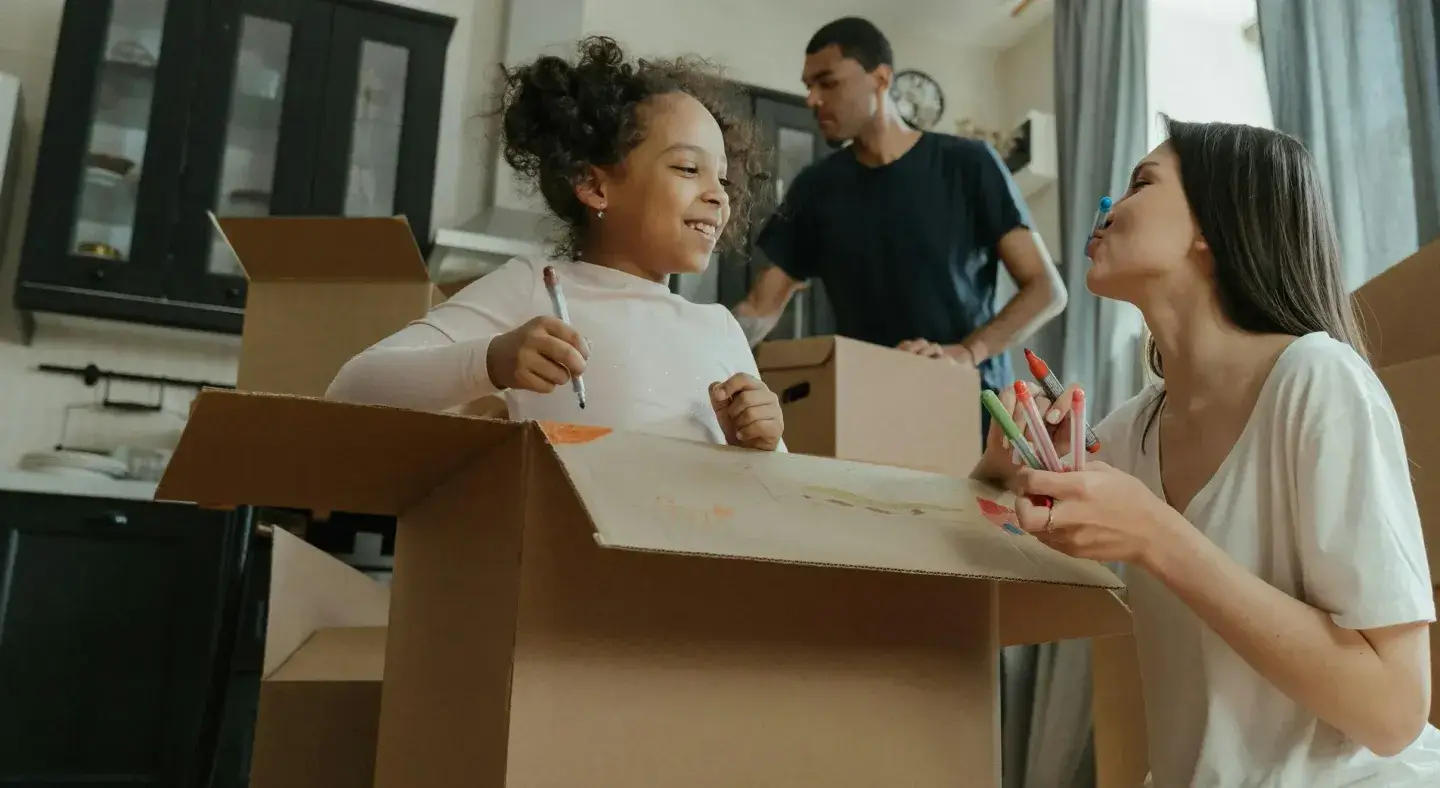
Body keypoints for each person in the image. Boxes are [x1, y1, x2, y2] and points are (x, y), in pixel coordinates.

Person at [975, 117, 1440, 786]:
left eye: (1141, 184)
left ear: (1212, 228)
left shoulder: (1317, 379)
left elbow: (1394, 712)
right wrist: (1001, 468)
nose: (1106, 211)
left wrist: (1157, 536)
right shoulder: (1135, 428)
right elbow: (997, 571)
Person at [326, 37, 785, 452]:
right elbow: (352, 389)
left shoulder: (721, 329)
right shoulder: (538, 288)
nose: (719, 195)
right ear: (594, 185)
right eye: (688, 168)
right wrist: (490, 362)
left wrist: (763, 442)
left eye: (723, 179)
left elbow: (770, 492)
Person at [732, 17, 1066, 437]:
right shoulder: (815, 189)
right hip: (866, 417)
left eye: (827, 83)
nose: (812, 99)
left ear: (881, 79)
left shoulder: (968, 164)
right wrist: (696, 340)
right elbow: (760, 307)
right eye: (808, 86)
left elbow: (1046, 289)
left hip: (971, 414)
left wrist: (965, 352)